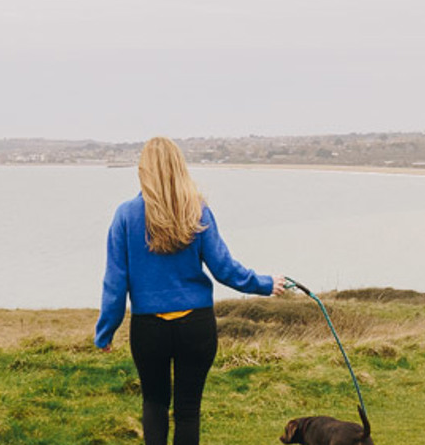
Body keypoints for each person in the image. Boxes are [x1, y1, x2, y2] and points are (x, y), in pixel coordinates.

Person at [95, 136, 286, 445]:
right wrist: (263, 283)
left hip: (149, 329)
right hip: (196, 327)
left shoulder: (126, 215)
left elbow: (115, 284)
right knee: (187, 410)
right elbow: (224, 268)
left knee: (154, 404)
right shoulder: (196, 211)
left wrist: (106, 331)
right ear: (178, 168)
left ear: (143, 170)